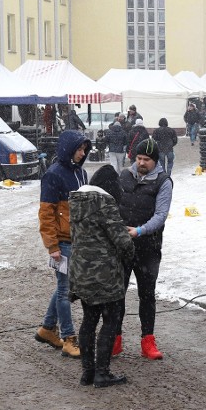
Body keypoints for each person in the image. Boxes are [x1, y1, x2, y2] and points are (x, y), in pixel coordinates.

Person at [69, 165, 135, 388]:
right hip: (105, 274)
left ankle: (87, 372)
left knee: (89, 321)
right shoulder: (105, 204)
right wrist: (129, 257)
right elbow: (123, 242)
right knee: (110, 321)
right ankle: (102, 373)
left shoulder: (76, 202)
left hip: (82, 272)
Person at [113, 139, 173, 360]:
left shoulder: (164, 181)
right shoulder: (124, 175)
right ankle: (115, 339)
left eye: (146, 160)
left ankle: (148, 341)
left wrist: (140, 230)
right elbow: (113, 204)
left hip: (148, 247)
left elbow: (161, 215)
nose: (141, 163)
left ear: (155, 161)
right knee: (117, 294)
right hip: (122, 245)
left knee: (146, 295)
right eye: (138, 158)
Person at [34, 130, 91, 358]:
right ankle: (68, 338)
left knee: (64, 288)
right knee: (65, 291)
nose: (82, 153)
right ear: (69, 148)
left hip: (77, 240)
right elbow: (46, 214)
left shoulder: (82, 173)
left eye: (84, 149)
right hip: (63, 243)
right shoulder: (53, 175)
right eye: (79, 149)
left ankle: (47, 328)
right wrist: (52, 246)